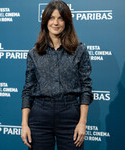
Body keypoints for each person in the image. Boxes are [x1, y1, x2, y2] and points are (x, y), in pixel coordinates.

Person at [21, 1, 93, 150]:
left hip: (70, 114)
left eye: (60, 18)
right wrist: (24, 124)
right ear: (45, 21)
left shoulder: (80, 50)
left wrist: (82, 122)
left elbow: (86, 87)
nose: (56, 22)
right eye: (51, 18)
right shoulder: (34, 53)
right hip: (40, 115)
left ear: (66, 22)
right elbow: (28, 89)